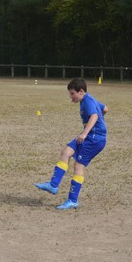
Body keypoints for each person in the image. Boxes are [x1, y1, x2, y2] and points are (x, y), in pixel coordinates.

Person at [34, 78, 108, 209]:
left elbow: (95, 116)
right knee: (66, 151)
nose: (71, 96)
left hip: (94, 139)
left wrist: (85, 133)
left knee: (78, 165)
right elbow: (106, 109)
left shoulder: (88, 101)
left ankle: (73, 200)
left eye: (73, 93)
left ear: (81, 91)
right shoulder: (88, 99)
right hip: (90, 135)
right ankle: (53, 185)